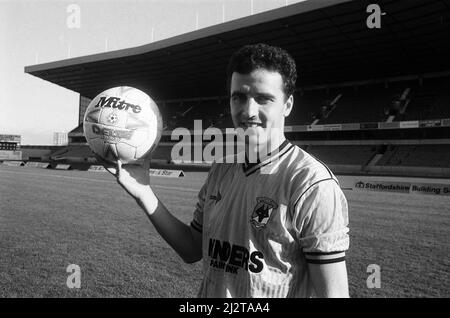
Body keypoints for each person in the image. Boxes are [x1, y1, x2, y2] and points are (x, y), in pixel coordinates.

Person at [104, 43, 350, 298]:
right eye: (239, 97)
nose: (248, 111)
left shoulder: (311, 183)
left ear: (287, 105)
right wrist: (145, 194)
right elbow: (191, 249)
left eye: (263, 98)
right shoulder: (221, 170)